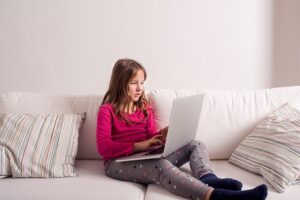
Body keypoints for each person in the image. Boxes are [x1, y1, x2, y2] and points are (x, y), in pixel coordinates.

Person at [96, 58, 268, 200]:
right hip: (117, 163)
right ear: (120, 84)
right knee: (161, 165)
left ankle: (209, 179)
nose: (140, 88)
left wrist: (161, 135)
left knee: (196, 144)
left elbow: (149, 138)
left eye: (142, 82)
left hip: (144, 155)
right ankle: (215, 196)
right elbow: (104, 147)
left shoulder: (144, 108)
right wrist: (137, 146)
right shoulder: (107, 110)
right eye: (134, 83)